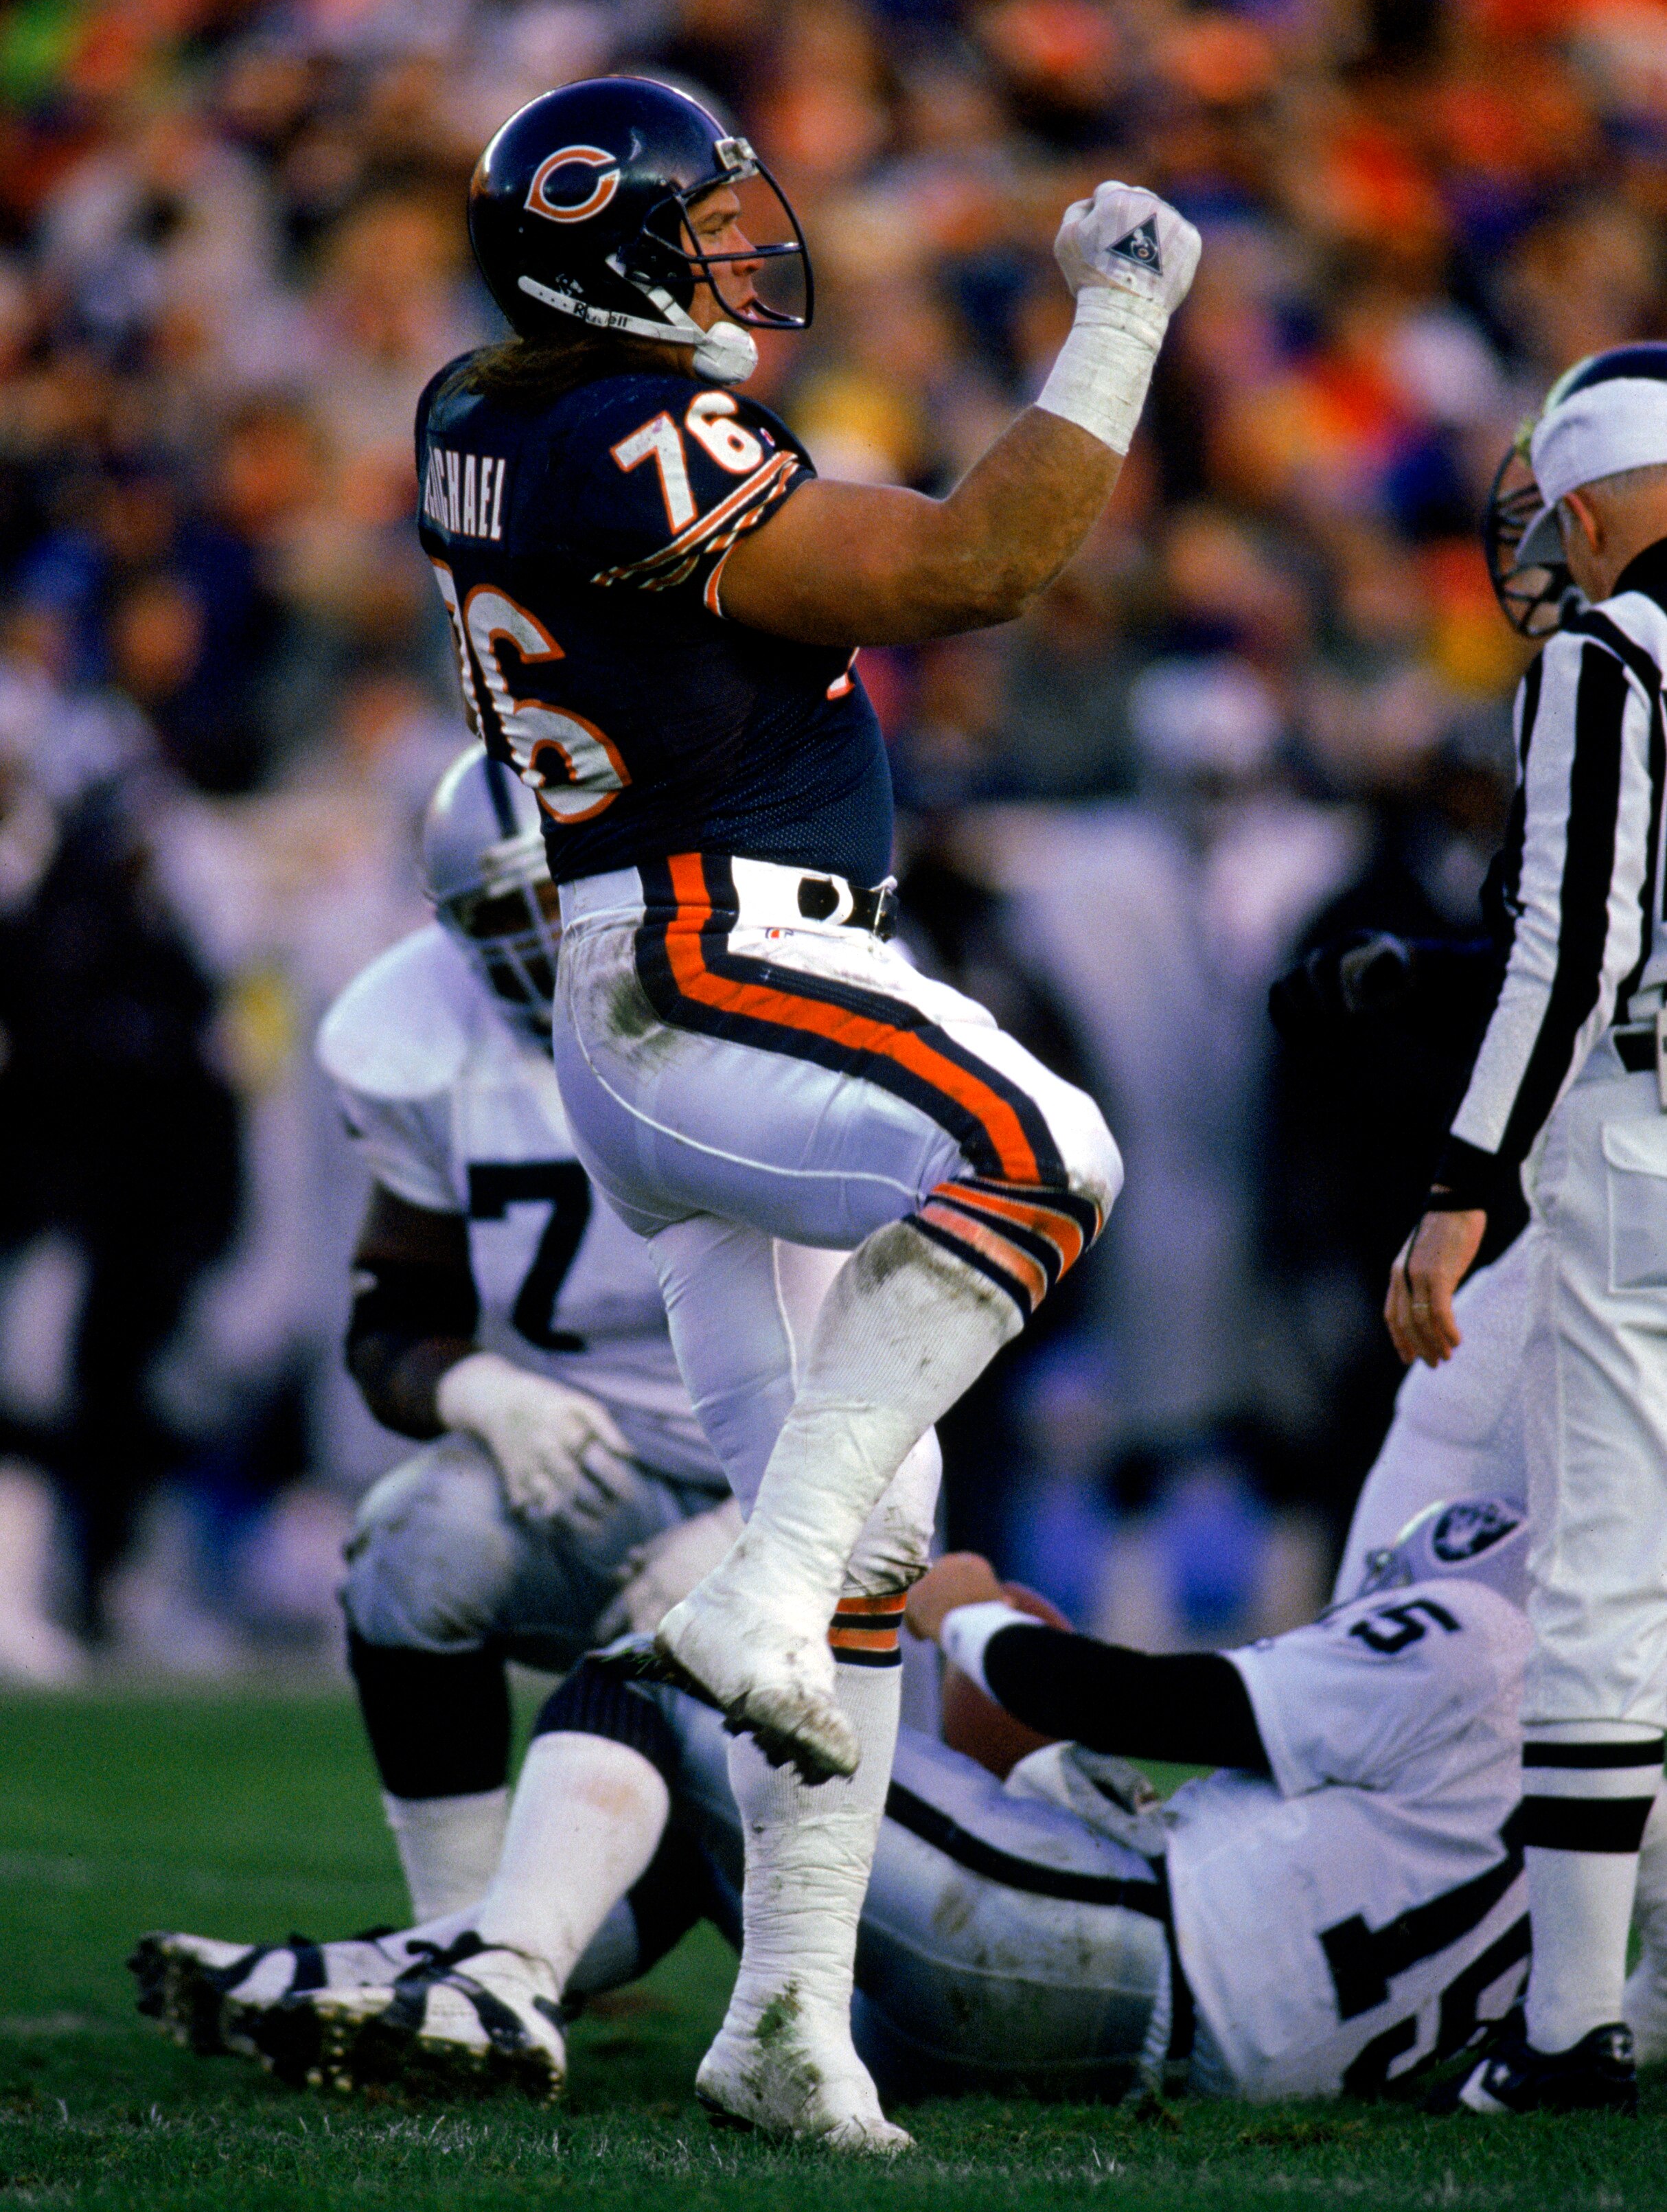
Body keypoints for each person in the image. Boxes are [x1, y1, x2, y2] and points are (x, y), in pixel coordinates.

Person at [411, 73, 1197, 2146]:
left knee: (883, 1529)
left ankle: (783, 2023)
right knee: (1044, 1151)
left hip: (645, 983)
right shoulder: (624, 433)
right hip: (714, 956)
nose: (736, 260)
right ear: (601, 257)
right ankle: (753, 1590)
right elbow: (972, 563)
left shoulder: (481, 411)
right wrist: (1120, 318)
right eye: (697, 230)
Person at [132, 1501, 1540, 2111]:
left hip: (1096, 1955)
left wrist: (967, 1617)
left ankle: (491, 1978)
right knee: (710, 1815)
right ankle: (396, 1973)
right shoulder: (1598, 1809)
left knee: (671, 1671)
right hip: (1133, 2038)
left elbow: (1143, 1704)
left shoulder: (1484, 1636)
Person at [316, 744, 831, 1919]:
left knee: (847, 1933)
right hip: (604, 1463)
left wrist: (767, 1534)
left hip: (830, 1487)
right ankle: (455, 1939)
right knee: (411, 1542)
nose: (547, 941)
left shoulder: (774, 989)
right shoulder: (419, 1041)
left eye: (564, 897)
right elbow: (393, 1319)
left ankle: (572, 1935)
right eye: (509, 913)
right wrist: (487, 1394)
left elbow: (907, 1333)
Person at [1386, 343, 1667, 2115]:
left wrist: (1457, 1186)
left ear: (1600, 497)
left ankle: (1567, 2026)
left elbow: (1571, 949)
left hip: (1639, 1139)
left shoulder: (1610, 653)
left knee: (1608, 1572)